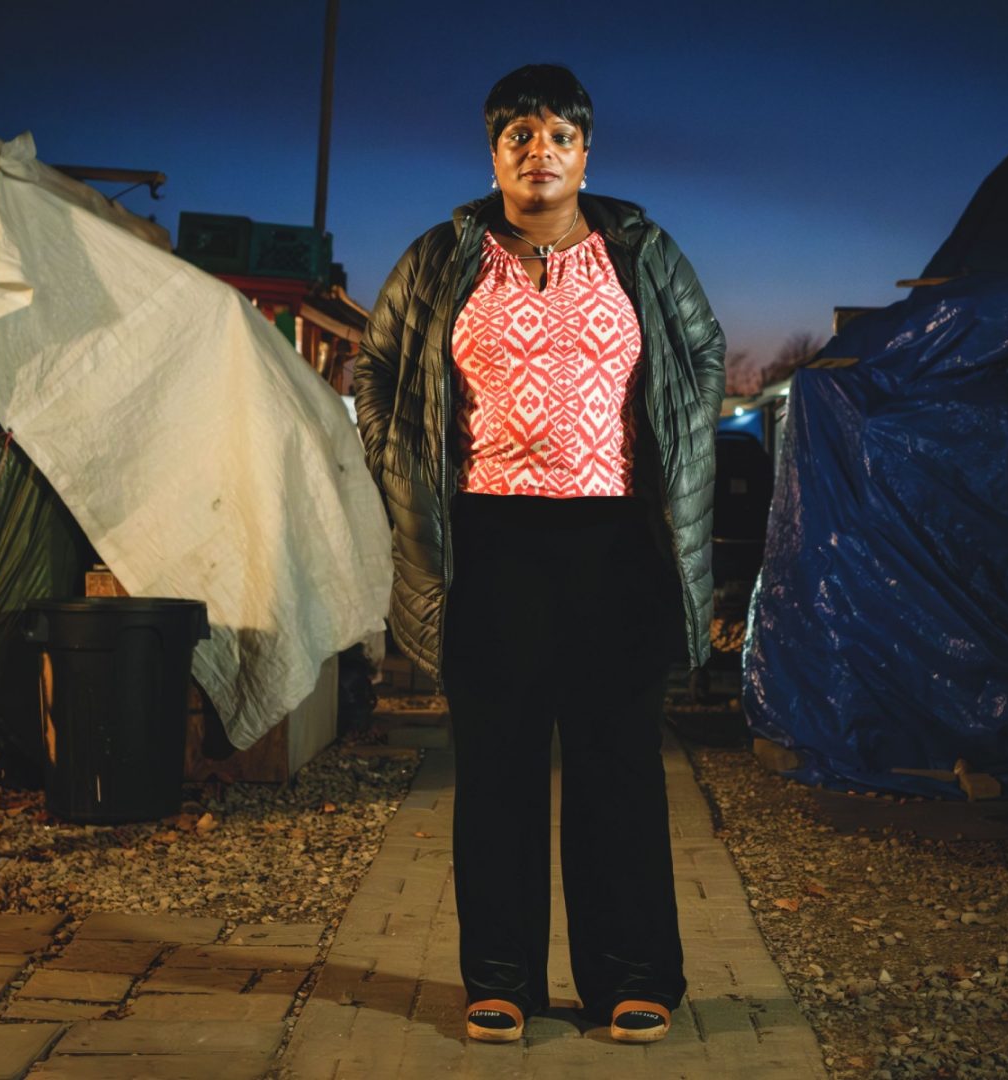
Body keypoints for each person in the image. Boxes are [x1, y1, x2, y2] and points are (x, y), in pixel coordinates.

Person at [354, 63, 725, 1045]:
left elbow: (701, 353)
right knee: (498, 766)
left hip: (617, 542)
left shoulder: (640, 249)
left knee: (618, 764)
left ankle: (632, 976)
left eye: (559, 135)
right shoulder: (443, 255)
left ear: (585, 153)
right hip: (488, 541)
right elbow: (378, 367)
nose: (540, 151)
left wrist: (670, 463)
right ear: (495, 154)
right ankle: (500, 978)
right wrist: (396, 465)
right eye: (520, 135)